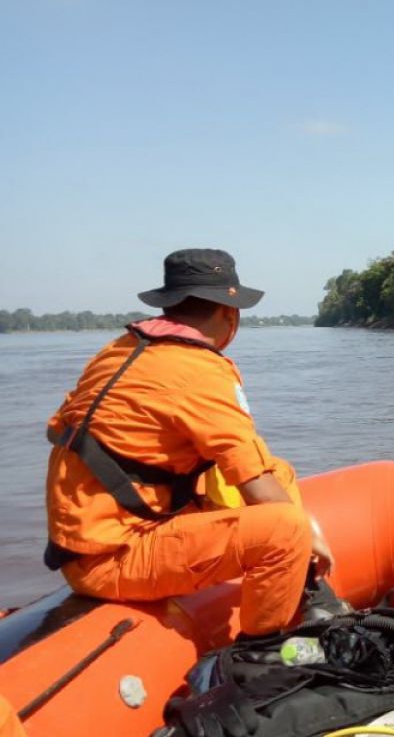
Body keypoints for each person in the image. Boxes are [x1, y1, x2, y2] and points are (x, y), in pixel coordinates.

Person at [44, 249, 337, 636]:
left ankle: (297, 588)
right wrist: (309, 534)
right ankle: (262, 652)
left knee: (277, 470)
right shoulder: (201, 370)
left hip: (90, 540)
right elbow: (258, 488)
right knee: (286, 529)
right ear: (228, 314)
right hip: (113, 558)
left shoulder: (120, 349)